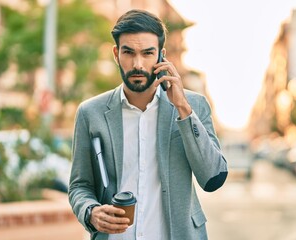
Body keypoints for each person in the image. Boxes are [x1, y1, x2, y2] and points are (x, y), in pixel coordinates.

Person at [68, 9, 228, 240]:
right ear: (116, 54)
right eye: (129, 52)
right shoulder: (90, 113)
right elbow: (79, 185)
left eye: (147, 53)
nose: (138, 64)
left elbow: (213, 178)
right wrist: (91, 212)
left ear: (161, 56)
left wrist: (183, 109)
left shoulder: (193, 105)